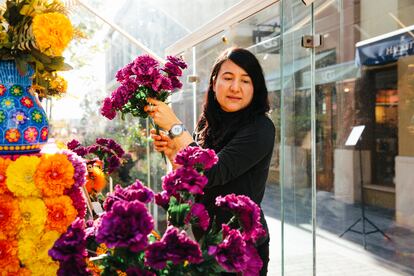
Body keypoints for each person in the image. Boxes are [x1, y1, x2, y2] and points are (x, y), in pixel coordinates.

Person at [145, 47, 275, 275]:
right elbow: (197, 179)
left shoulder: (261, 128)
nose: (235, 87)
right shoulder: (208, 121)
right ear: (214, 83)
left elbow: (213, 171)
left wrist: (176, 127)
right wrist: (174, 153)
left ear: (255, 88)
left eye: (245, 80)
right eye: (228, 78)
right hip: (205, 237)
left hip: (241, 246)